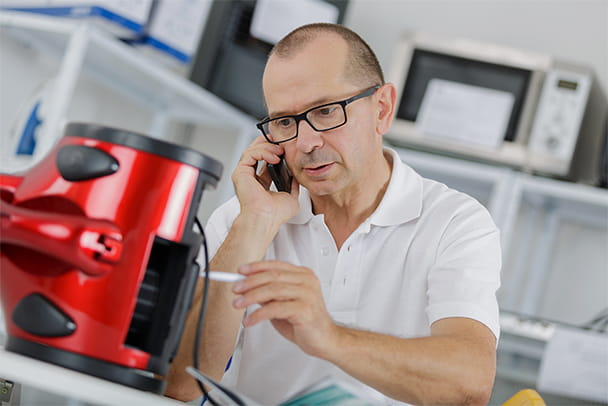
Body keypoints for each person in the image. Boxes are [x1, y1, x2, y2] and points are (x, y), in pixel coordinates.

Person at [166, 23, 501, 406]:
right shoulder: (243, 219)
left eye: (326, 111)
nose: (306, 143)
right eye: (285, 122)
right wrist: (254, 224)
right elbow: (182, 385)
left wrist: (329, 336)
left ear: (382, 109)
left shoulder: (455, 222)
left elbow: (470, 384)